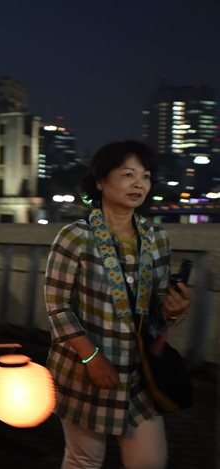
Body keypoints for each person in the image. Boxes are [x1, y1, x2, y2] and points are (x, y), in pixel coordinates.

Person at [45, 141, 191, 469]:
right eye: (128, 174)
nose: (139, 183)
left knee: (151, 461)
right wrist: (92, 357)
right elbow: (57, 308)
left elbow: (154, 311)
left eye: (146, 176)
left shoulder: (156, 237)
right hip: (84, 372)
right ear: (100, 181)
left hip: (138, 374)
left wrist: (173, 309)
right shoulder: (75, 237)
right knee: (84, 460)